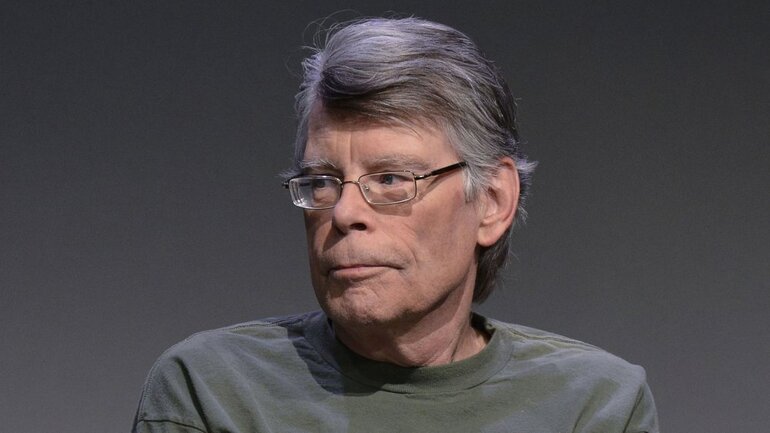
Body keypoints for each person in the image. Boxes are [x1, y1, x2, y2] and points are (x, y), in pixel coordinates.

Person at [132, 17, 659, 432]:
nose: (344, 213)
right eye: (322, 181)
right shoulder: (212, 392)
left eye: (391, 179)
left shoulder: (594, 406)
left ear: (492, 202)